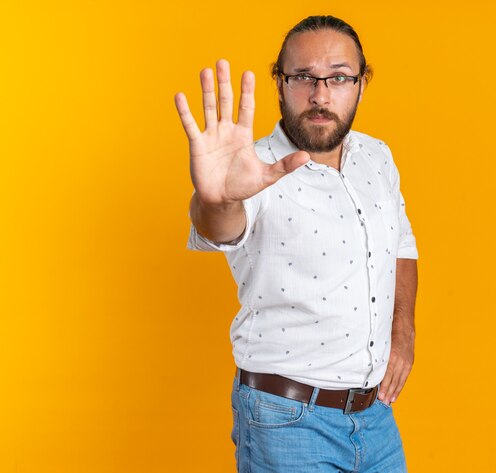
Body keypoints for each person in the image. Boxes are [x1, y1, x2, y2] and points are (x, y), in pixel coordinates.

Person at [175, 15, 419, 473]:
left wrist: (402, 332)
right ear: (279, 83)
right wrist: (216, 199)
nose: (320, 94)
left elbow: (402, 243)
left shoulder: (377, 157)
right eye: (303, 76)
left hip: (375, 417)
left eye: (339, 77)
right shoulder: (255, 169)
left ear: (362, 83)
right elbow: (220, 226)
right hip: (285, 420)